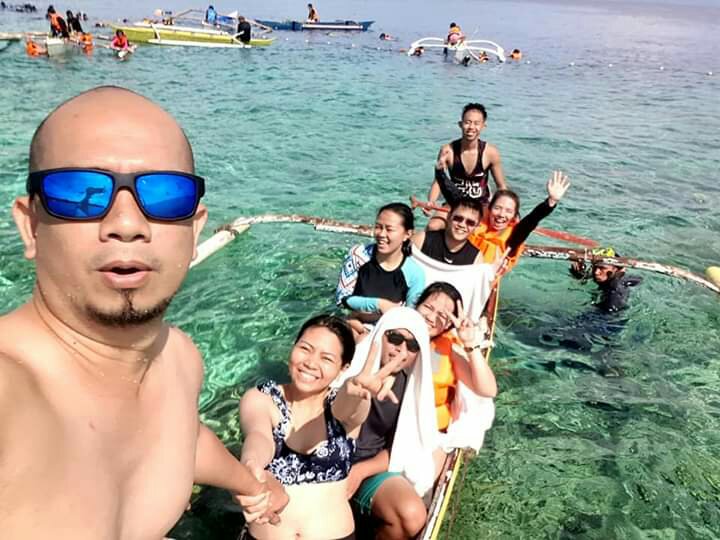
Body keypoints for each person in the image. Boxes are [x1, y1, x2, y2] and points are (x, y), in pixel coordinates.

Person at [0, 86, 286, 538]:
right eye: (81, 191)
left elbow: (180, 438)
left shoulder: (178, 358)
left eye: (165, 195)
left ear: (194, 231)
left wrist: (249, 484)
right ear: (30, 225)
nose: (127, 224)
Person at [239, 314, 404, 539]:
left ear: (343, 368)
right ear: (293, 347)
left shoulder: (346, 403)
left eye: (326, 358)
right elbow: (258, 436)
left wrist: (353, 387)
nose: (310, 363)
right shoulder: (262, 397)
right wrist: (252, 464)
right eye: (305, 349)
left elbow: (347, 407)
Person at [344, 308, 435, 540]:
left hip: (369, 467)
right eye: (395, 338)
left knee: (411, 515)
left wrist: (359, 471)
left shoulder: (410, 390)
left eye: (412, 346)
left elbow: (400, 448)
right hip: (328, 458)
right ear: (380, 335)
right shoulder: (348, 366)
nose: (401, 351)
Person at [335, 203, 425, 341]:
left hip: (387, 333)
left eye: (389, 229)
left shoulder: (414, 273)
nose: (381, 234)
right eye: (378, 227)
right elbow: (342, 298)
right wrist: (380, 304)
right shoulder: (359, 255)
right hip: (351, 324)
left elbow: (409, 316)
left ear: (407, 234)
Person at [415, 282, 497, 432]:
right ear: (416, 305)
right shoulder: (394, 332)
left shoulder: (448, 350)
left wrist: (470, 343)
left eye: (442, 315)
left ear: (448, 325)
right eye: (428, 307)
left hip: (428, 429)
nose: (431, 318)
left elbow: (488, 390)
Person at [467, 170, 571, 274]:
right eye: (497, 208)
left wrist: (551, 201)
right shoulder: (471, 225)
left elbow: (532, 219)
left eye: (508, 211)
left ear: (514, 216)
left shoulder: (513, 238)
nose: (501, 214)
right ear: (489, 209)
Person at [425, 103, 507, 230]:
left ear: (483, 126)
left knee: (486, 231)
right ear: (460, 124)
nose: (471, 127)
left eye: (476, 123)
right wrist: (431, 201)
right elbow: (438, 181)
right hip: (454, 203)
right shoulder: (448, 151)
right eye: (467, 122)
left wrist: (507, 211)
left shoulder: (490, 153)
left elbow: (501, 187)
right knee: (432, 226)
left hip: (481, 205)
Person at [412, 197, 485, 265]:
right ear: (448, 217)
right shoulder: (421, 240)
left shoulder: (476, 259)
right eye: (457, 218)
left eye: (470, 222)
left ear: (476, 226)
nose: (462, 225)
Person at [570, 247, 642, 313]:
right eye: (595, 267)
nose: (596, 272)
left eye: (602, 268)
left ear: (616, 269)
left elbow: (611, 309)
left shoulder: (615, 289)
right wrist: (579, 274)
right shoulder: (610, 277)